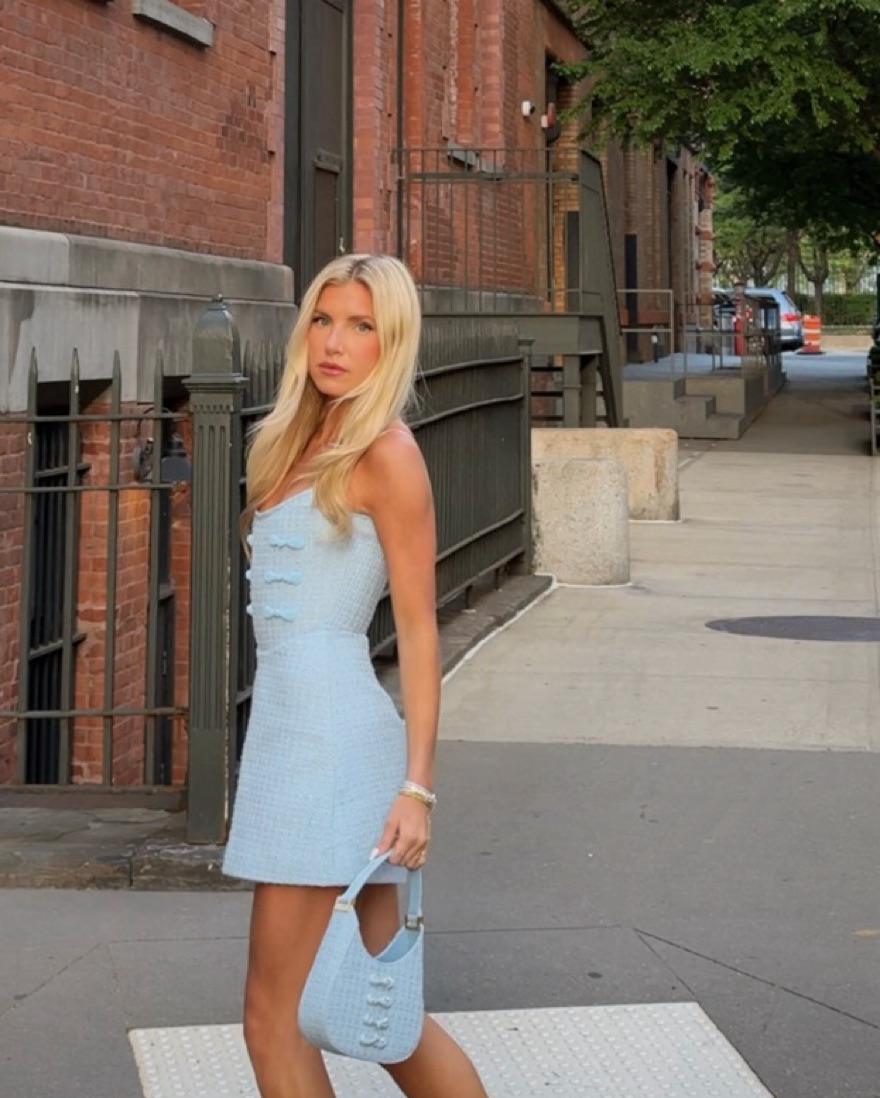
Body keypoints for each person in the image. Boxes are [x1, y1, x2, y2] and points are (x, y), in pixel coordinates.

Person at [222, 253, 489, 1098]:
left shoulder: (387, 452)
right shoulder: (292, 439)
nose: (335, 343)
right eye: (324, 320)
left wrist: (418, 788)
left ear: (391, 341)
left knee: (273, 1019)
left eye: (362, 326)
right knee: (381, 1011)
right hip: (292, 738)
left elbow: (418, 629)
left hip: (330, 753)